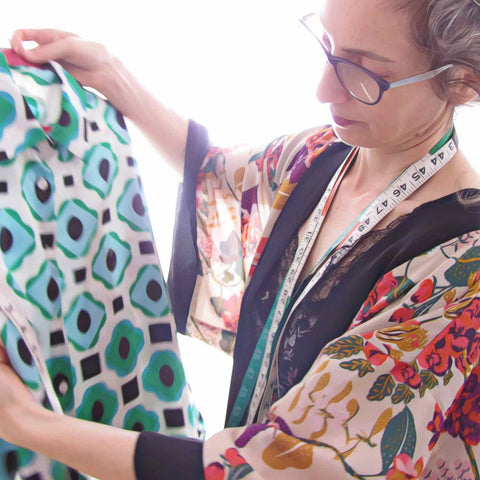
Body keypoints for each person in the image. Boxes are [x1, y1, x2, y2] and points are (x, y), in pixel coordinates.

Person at [2, 0, 480, 478]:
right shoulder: (319, 158)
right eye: (327, 48)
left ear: (460, 80)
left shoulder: (462, 270)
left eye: (361, 72)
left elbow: (294, 466)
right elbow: (216, 175)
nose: (322, 89)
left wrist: (28, 423)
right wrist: (113, 75)